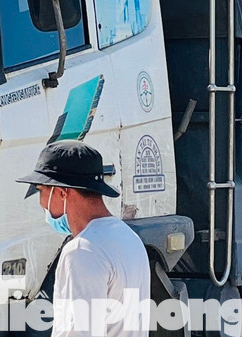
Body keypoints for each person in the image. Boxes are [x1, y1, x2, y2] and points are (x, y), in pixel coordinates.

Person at [18, 140, 151, 337]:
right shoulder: (128, 237)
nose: (41, 203)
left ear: (62, 193)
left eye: (41, 190)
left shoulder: (83, 250)